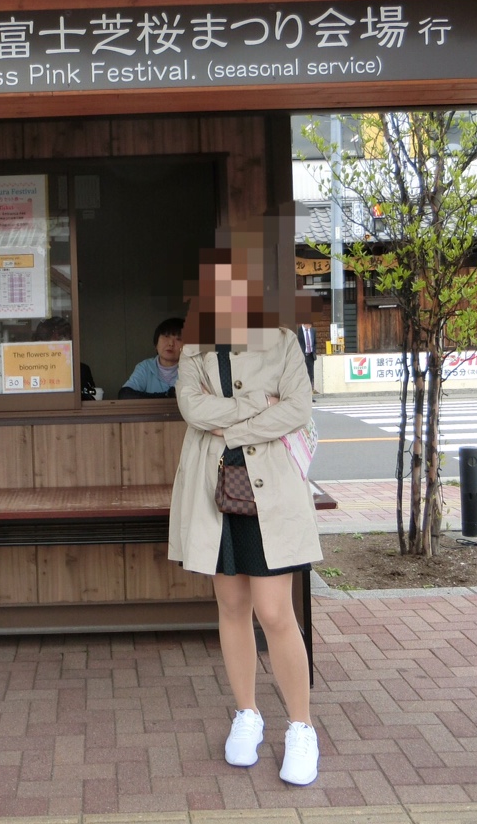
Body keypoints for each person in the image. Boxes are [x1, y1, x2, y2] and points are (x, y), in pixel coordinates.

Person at [168, 242, 322, 787]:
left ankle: (301, 727)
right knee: (231, 606)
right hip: (215, 493)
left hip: (270, 494)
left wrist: (229, 425)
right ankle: (247, 714)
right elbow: (191, 407)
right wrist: (259, 408)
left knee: (275, 612)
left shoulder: (281, 342)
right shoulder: (194, 350)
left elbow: (298, 408)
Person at [118, 317, 184, 398]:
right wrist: (166, 395)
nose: (171, 343)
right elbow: (125, 394)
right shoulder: (145, 367)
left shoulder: (193, 368)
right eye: (166, 336)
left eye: (178, 339)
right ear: (156, 343)